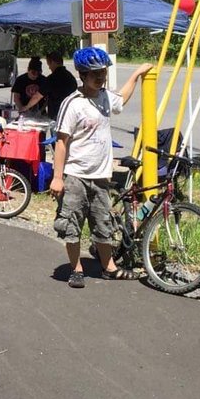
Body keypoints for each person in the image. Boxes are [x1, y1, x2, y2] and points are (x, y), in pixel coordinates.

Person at [51, 48, 153, 288]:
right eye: (95, 74)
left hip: (101, 176)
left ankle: (110, 268)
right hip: (76, 176)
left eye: (103, 73)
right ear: (83, 75)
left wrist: (136, 74)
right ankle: (76, 269)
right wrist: (57, 177)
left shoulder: (105, 96)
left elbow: (122, 98)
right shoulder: (73, 104)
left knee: (103, 223)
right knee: (72, 224)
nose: (100, 77)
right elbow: (61, 142)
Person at [43, 51, 79, 121]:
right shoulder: (71, 77)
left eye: (49, 64)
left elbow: (38, 96)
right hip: (71, 113)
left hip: (56, 114)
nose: (49, 68)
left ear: (53, 62)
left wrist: (25, 107)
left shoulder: (51, 78)